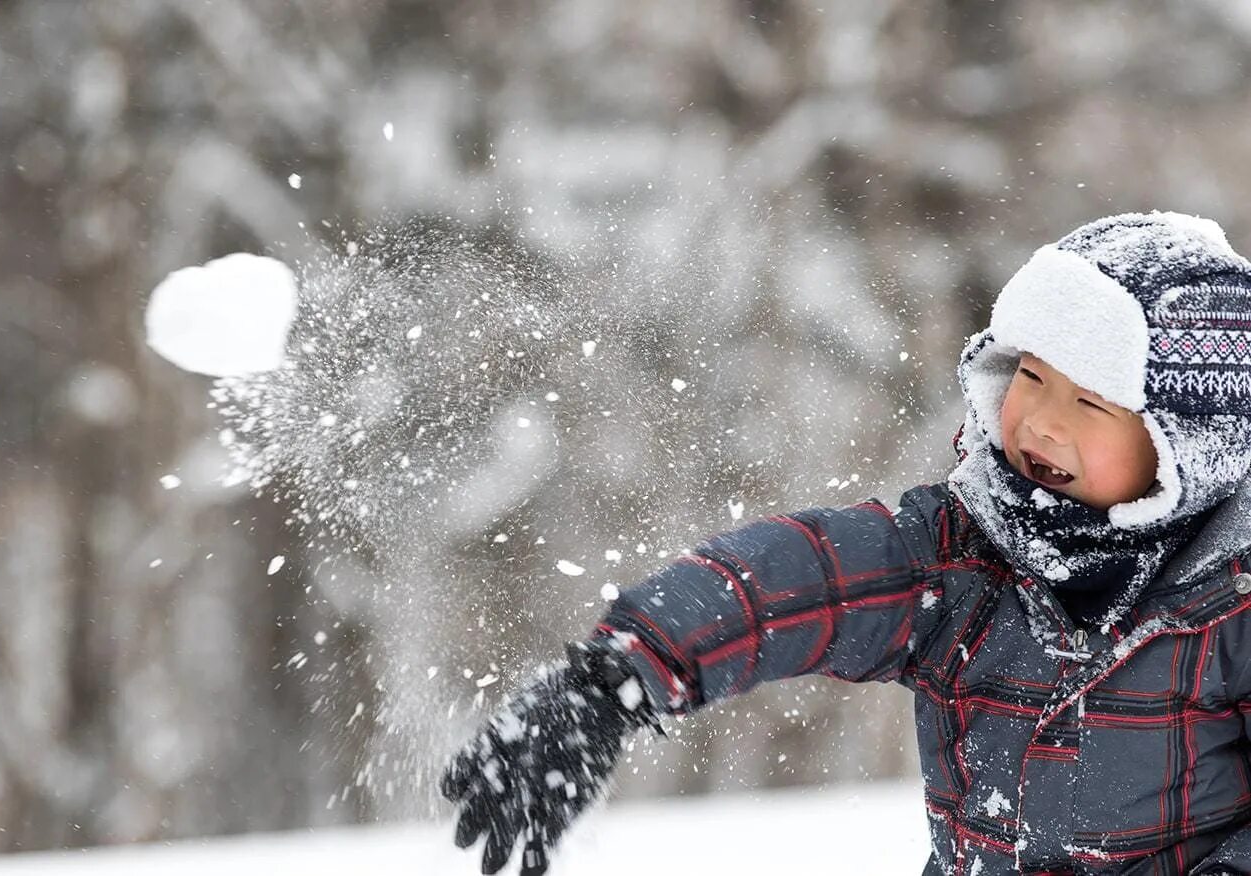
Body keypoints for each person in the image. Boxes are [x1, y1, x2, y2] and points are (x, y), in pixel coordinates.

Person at [441, 211, 1251, 875]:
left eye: (1090, 402)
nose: (1040, 420)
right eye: (1031, 375)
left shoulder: (1232, 603)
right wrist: (616, 678)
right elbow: (791, 581)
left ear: (1186, 447)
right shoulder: (962, 554)